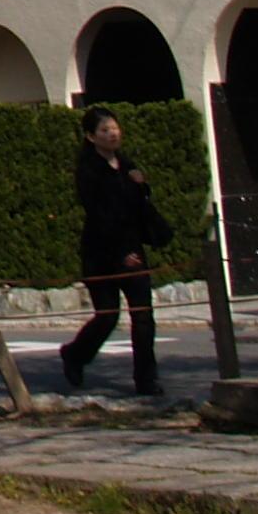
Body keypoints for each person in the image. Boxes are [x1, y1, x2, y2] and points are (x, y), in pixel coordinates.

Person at [60, 107, 171, 398]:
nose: (112, 134)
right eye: (104, 130)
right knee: (107, 316)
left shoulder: (125, 164)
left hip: (133, 249)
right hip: (102, 253)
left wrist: (142, 185)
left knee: (143, 316)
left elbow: (138, 205)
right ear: (91, 136)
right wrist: (122, 253)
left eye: (114, 128)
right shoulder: (89, 171)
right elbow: (101, 215)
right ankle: (75, 354)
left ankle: (146, 379)